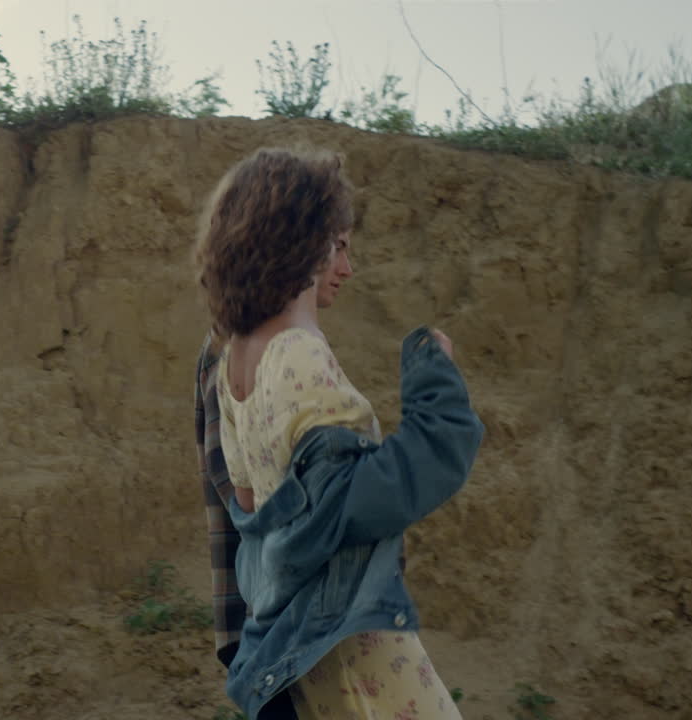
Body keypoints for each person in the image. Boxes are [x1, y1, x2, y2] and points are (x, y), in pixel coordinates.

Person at [191, 147, 484, 720]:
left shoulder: (231, 364)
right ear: (301, 241)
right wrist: (435, 378)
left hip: (301, 660)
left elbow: (250, 505)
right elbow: (363, 502)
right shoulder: (298, 352)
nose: (347, 267)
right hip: (360, 651)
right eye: (340, 246)